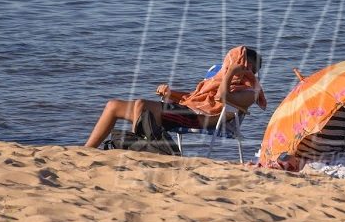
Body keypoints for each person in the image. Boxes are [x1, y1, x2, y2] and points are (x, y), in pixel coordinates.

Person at [84, 46, 267, 149]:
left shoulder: (250, 92)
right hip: (188, 111)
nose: (231, 65)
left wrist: (229, 74)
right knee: (113, 105)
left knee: (142, 105)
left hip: (201, 119)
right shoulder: (217, 80)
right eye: (232, 62)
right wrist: (171, 94)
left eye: (238, 63)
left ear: (249, 68)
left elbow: (221, 97)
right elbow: (194, 98)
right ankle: (88, 150)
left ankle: (140, 153)